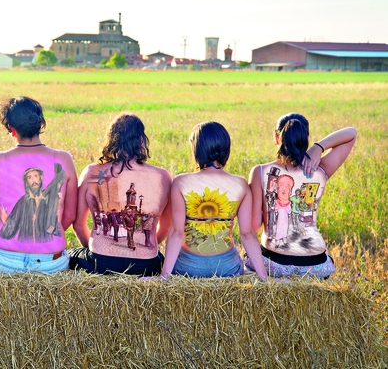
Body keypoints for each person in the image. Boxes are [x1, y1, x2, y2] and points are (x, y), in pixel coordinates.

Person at [245, 113, 356, 278]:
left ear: (277, 138)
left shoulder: (260, 171)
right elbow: (351, 133)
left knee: (248, 260)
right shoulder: (321, 169)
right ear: (307, 138)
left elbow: (254, 225)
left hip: (276, 263)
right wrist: (319, 147)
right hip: (315, 266)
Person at [159, 122, 268, 280]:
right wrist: (264, 277)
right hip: (227, 267)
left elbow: (176, 232)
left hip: (188, 267)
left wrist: (163, 276)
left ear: (197, 150)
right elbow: (247, 234)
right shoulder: (241, 184)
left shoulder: (181, 182)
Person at [0, 96, 77, 273]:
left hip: (2, 261)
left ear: (12, 129)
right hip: (51, 263)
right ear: (40, 123)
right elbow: (70, 215)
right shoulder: (64, 159)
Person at [69, 114, 173, 276]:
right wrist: (145, 249)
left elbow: (78, 225)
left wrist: (96, 250)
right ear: (141, 140)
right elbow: (166, 227)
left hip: (101, 263)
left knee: (67, 256)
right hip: (145, 266)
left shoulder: (92, 172)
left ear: (111, 140)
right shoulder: (163, 177)